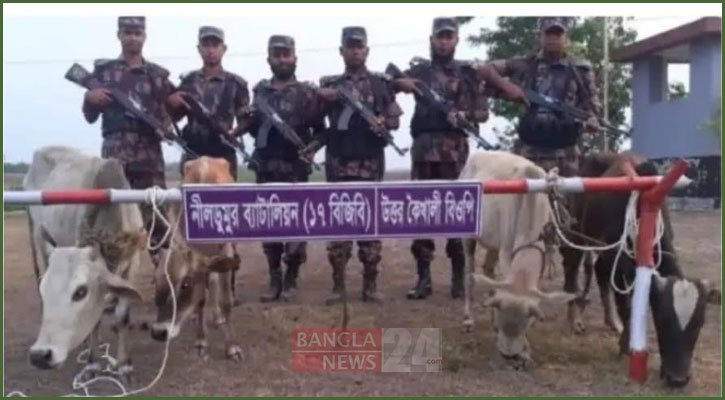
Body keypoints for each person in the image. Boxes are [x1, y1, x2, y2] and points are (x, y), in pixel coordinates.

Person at [393, 17, 523, 300]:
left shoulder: (469, 74)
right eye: (440, 36)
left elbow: (483, 113)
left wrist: (464, 116)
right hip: (423, 152)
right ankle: (424, 278)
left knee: (458, 216)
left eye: (449, 37)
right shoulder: (420, 71)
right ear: (432, 40)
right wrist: (400, 82)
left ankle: (458, 279)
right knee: (421, 214)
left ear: (456, 41)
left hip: (456, 155)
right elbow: (388, 82)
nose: (444, 41)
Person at [307, 26, 403, 304]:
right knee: (338, 229)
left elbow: (395, 118)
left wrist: (383, 122)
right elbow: (316, 119)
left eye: (359, 46)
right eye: (350, 46)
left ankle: (370, 286)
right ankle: (338, 287)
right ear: (342, 51)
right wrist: (325, 96)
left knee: (370, 227)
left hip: (370, 164)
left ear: (367, 51)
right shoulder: (331, 84)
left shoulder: (380, 84)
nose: (355, 51)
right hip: (338, 164)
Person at [82, 16, 175, 265]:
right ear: (119, 35)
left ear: (144, 36)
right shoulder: (103, 72)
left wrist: (166, 128)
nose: (133, 38)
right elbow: (90, 116)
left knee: (157, 215)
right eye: (128, 32)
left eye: (137, 33)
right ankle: (111, 280)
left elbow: (169, 112)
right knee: (111, 216)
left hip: (149, 155)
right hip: (115, 153)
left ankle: (163, 277)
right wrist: (90, 98)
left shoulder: (158, 75)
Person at [241, 35, 326, 302]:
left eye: (286, 54)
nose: (282, 59)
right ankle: (274, 276)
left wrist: (311, 148)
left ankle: (292, 276)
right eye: (276, 55)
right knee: (269, 225)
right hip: (266, 167)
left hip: (295, 168)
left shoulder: (306, 93)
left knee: (297, 226)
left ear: (294, 58)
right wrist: (243, 119)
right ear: (269, 59)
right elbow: (254, 129)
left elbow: (322, 132)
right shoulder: (261, 91)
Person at [168, 26, 250, 180]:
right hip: (193, 152)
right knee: (191, 200)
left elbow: (246, 121)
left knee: (225, 201)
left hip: (224, 154)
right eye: (206, 45)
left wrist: (234, 133)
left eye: (215, 45)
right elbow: (175, 118)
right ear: (199, 49)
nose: (210, 50)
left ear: (223, 48)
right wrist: (171, 103)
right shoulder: (188, 81)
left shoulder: (236, 84)